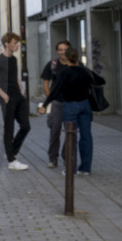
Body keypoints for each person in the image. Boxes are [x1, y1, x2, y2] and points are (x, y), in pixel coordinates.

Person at [43, 46, 96, 175]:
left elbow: (56, 90)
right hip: (85, 105)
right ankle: (85, 168)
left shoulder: (65, 72)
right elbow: (100, 80)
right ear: (77, 57)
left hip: (70, 106)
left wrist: (45, 104)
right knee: (86, 136)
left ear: (67, 58)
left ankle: (70, 169)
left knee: (71, 136)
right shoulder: (85, 71)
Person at [0, 32, 30, 170]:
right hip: (7, 98)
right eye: (14, 43)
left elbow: (13, 76)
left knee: (25, 126)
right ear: (7, 44)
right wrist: (4, 96)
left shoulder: (14, 59)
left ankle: (11, 151)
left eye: (18, 43)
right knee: (9, 129)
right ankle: (12, 161)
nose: (17, 46)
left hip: (18, 96)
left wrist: (20, 87)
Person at [39, 39, 72, 169]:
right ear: (57, 51)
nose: (62, 52)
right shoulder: (52, 65)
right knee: (55, 131)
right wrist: (50, 99)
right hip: (57, 102)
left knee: (70, 131)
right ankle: (53, 158)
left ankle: (66, 155)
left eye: (65, 50)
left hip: (71, 104)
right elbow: (46, 83)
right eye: (60, 50)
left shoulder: (75, 64)